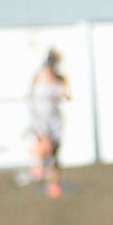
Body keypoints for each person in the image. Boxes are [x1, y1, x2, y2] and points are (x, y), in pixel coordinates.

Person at [26, 49, 69, 198]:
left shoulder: (60, 79)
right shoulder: (40, 76)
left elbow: (68, 96)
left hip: (54, 120)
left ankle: (53, 184)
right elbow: (30, 96)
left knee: (54, 155)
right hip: (41, 118)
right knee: (44, 145)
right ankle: (37, 166)